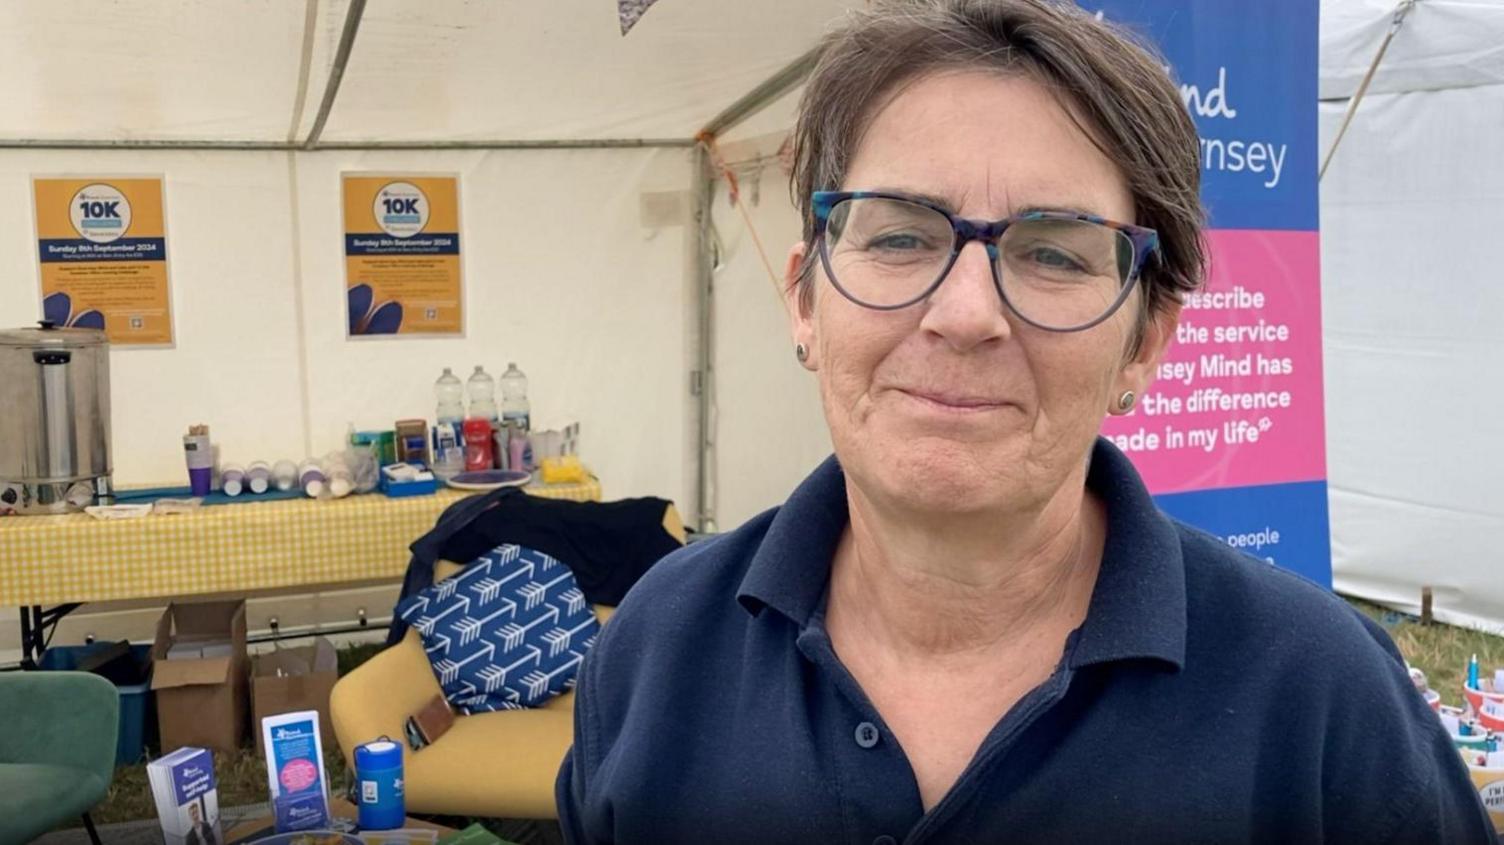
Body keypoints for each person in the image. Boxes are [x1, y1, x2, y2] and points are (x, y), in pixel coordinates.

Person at [556, 1, 1497, 842]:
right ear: (805, 297)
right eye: (897, 235)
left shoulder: (1320, 697)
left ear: (1144, 345)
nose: (966, 315)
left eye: (1054, 253)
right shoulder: (657, 646)